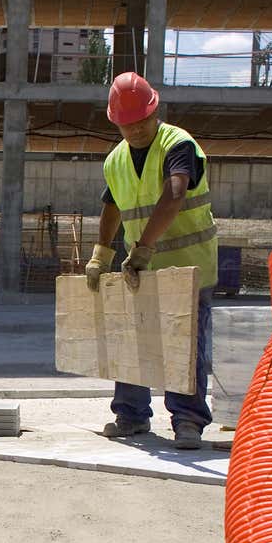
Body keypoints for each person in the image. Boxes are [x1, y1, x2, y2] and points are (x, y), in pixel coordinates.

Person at [84, 72, 217, 450]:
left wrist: (142, 248)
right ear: (116, 122)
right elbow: (111, 204)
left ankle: (188, 420)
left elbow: (175, 193)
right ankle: (131, 416)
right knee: (132, 339)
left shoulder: (178, 143)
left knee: (185, 346)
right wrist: (102, 253)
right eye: (127, 124)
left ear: (154, 112)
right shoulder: (116, 160)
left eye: (141, 121)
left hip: (188, 266)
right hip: (138, 268)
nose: (136, 130)